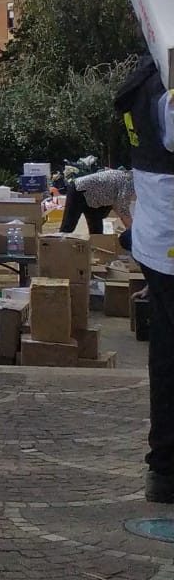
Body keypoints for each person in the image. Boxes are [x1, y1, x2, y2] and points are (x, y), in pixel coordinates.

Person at [116, 52, 174, 503]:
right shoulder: (165, 91)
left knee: (166, 353)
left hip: (157, 241)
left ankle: (164, 469)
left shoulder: (139, 84)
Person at [62, 167, 134, 235]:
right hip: (79, 190)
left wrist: (128, 225)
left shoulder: (128, 177)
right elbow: (123, 208)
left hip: (93, 199)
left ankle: (95, 246)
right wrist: (132, 230)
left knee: (97, 232)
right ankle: (56, 245)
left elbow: (117, 205)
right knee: (68, 227)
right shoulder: (129, 182)